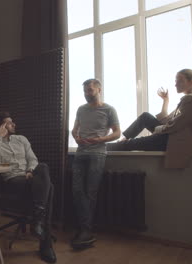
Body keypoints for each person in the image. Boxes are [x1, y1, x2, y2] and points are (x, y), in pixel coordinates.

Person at [0, 111, 56, 263]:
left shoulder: (21, 139)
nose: (14, 124)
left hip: (29, 177)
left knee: (42, 167)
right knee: (50, 189)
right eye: (10, 123)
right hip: (12, 180)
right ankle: (44, 242)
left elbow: (33, 159)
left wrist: (30, 171)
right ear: (1, 126)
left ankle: (38, 220)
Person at [108, 68, 192, 168]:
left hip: (171, 139)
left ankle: (102, 148)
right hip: (170, 135)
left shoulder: (191, 99)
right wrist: (166, 101)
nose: (175, 84)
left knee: (129, 144)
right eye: (175, 81)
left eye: (180, 80)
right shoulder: (189, 98)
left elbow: (174, 125)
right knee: (145, 117)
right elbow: (167, 120)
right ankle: (123, 139)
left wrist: (157, 130)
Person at [71, 79, 121, 249]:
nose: (87, 93)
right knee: (77, 190)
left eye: (90, 90)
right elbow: (74, 129)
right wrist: (76, 138)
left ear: (99, 89)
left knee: (90, 192)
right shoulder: (80, 109)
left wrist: (101, 139)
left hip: (98, 154)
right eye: (85, 91)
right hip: (80, 153)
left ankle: (85, 230)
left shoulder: (109, 109)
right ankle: (85, 229)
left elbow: (117, 133)